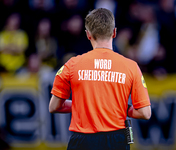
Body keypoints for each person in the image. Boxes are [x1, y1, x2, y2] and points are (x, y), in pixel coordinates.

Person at [49, 8, 151, 150]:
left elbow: (54, 106)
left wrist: (85, 106)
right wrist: (122, 109)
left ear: (88, 34)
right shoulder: (131, 67)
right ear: (114, 32)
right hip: (117, 141)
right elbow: (145, 113)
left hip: (82, 140)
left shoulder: (71, 65)